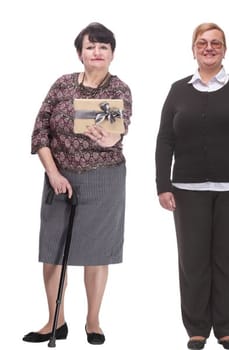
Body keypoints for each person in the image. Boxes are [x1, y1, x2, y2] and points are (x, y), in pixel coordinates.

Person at [155, 22, 229, 350]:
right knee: (193, 260)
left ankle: (226, 328)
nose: (209, 48)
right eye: (202, 43)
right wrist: (162, 184)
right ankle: (196, 328)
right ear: (193, 49)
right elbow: (165, 139)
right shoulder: (178, 89)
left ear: (225, 49)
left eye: (216, 43)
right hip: (187, 189)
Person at [25, 22, 131, 346]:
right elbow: (39, 132)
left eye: (103, 47)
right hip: (59, 177)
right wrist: (53, 173)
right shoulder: (62, 86)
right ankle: (55, 322)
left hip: (104, 178)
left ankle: (93, 321)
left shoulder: (119, 89)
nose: (96, 52)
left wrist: (108, 138)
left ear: (112, 53)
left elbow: (120, 129)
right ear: (80, 53)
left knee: (97, 253)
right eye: (90, 47)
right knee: (53, 252)